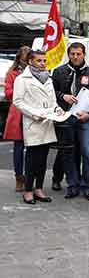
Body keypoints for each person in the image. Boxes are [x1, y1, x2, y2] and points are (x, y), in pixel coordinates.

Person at [52, 42, 89, 200]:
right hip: (66, 118)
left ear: (84, 55)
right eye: (72, 54)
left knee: (87, 152)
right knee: (68, 152)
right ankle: (72, 185)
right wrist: (63, 96)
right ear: (68, 54)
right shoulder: (59, 71)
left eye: (78, 54)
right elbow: (51, 93)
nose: (75, 56)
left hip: (85, 119)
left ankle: (88, 186)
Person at [13, 50, 59, 204]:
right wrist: (34, 114)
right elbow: (18, 101)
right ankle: (27, 190)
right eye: (39, 60)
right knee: (32, 158)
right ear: (30, 61)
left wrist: (57, 111)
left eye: (45, 61)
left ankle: (38, 188)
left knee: (43, 159)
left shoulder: (48, 78)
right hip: (34, 122)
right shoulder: (22, 79)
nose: (43, 63)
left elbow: (52, 100)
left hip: (48, 121)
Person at [3, 46, 30, 192]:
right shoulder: (12, 72)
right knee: (19, 147)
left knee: (32, 147)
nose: (26, 63)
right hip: (19, 112)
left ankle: (30, 177)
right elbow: (8, 94)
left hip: (32, 112)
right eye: (24, 59)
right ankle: (19, 178)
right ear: (19, 58)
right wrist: (22, 88)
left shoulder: (35, 71)